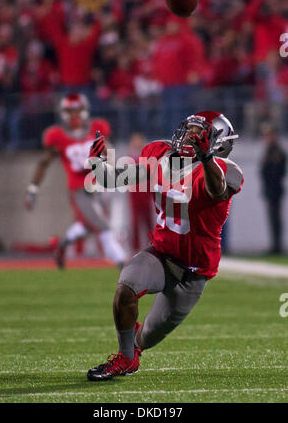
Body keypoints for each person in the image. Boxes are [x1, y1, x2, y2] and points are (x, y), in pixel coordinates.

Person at [86, 110, 243, 380]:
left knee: (145, 337)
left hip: (193, 273)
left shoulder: (227, 172)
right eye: (189, 129)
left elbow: (215, 190)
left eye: (199, 133)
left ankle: (133, 347)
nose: (189, 136)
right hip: (159, 255)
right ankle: (125, 360)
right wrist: (98, 166)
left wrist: (205, 157)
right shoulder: (161, 155)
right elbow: (114, 179)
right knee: (125, 289)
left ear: (216, 142)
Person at [24, 93, 127, 269]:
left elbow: (109, 153)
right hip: (79, 189)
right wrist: (32, 190)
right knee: (102, 225)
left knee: (88, 226)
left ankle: (60, 245)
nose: (74, 115)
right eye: (70, 111)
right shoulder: (56, 136)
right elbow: (44, 163)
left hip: (100, 185)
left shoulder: (98, 127)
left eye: (77, 110)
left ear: (85, 110)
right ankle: (122, 262)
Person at [260, 124, 286, 254]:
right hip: (271, 190)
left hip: (274, 190)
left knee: (275, 219)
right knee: (273, 218)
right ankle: (275, 245)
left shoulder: (276, 151)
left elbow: (276, 172)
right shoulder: (269, 150)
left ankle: (277, 246)